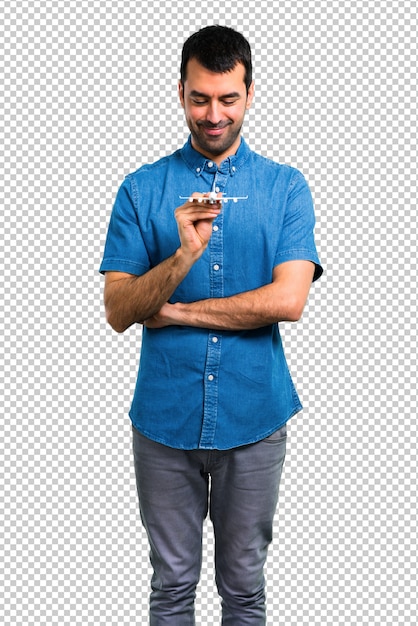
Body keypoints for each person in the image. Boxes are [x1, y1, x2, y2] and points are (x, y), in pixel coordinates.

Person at [100, 25, 322, 626]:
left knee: (245, 589)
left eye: (228, 98)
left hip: (255, 418)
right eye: (200, 98)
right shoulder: (141, 189)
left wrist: (175, 312)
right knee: (172, 587)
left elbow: (290, 300)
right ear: (180, 93)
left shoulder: (286, 187)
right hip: (163, 422)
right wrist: (182, 259)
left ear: (250, 94)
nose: (214, 114)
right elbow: (119, 310)